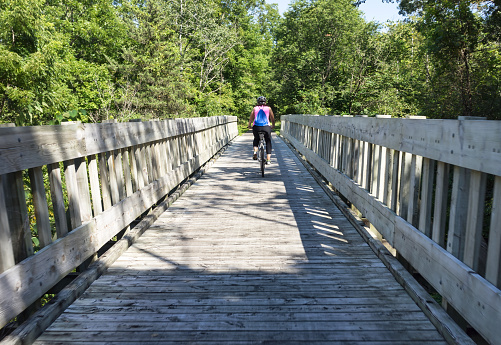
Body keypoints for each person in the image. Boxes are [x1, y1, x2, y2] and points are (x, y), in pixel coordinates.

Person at [248, 96, 275, 164]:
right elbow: (272, 118)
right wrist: (273, 125)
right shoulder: (268, 108)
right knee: (268, 141)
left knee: (256, 139)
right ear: (265, 102)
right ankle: (268, 159)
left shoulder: (255, 108)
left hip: (256, 127)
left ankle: (255, 151)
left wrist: (249, 125)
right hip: (266, 127)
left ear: (258, 102)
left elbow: (251, 118)